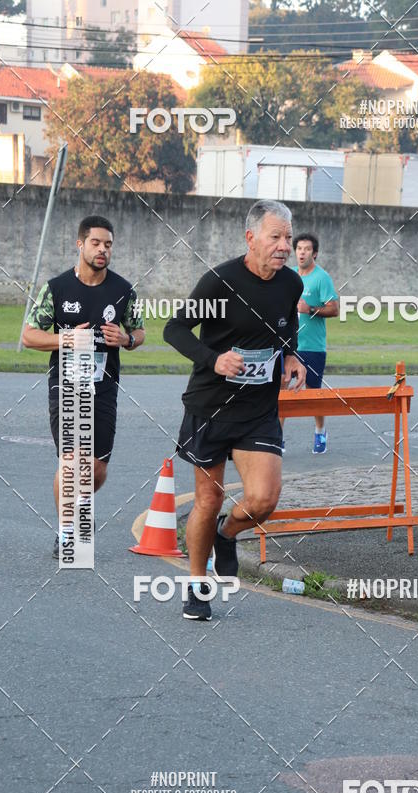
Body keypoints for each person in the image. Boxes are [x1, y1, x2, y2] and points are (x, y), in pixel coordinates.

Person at [164, 199, 306, 622]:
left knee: (263, 499)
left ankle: (227, 536)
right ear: (251, 238)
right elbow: (174, 328)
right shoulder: (220, 282)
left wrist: (293, 357)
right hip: (211, 406)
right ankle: (195, 588)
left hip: (258, 409)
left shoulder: (291, 285)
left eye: (288, 237)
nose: (284, 245)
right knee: (207, 500)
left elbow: (286, 329)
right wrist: (214, 359)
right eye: (275, 236)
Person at [22, 215, 145, 557]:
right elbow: (29, 335)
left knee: (98, 468)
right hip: (66, 385)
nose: (103, 249)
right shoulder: (57, 288)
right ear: (80, 244)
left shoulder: (122, 290)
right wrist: (66, 338)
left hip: (103, 386)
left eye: (108, 244)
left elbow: (140, 331)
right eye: (96, 243)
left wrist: (126, 338)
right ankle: (65, 535)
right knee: (73, 461)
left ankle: (74, 507)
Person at [281, 232, 338, 454]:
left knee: (313, 392)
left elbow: (334, 309)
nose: (302, 252)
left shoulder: (321, 278)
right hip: (290, 345)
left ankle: (320, 431)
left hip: (313, 346)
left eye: (307, 249)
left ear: (314, 253)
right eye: (299, 248)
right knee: (283, 390)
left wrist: (310, 310)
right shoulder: (289, 275)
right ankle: (278, 437)